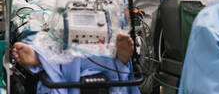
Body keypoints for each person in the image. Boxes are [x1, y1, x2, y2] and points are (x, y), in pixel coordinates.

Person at [12, 33, 140, 94]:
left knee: (107, 37)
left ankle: (43, 58)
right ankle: (118, 63)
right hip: (47, 5)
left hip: (96, 4)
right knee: (47, 34)